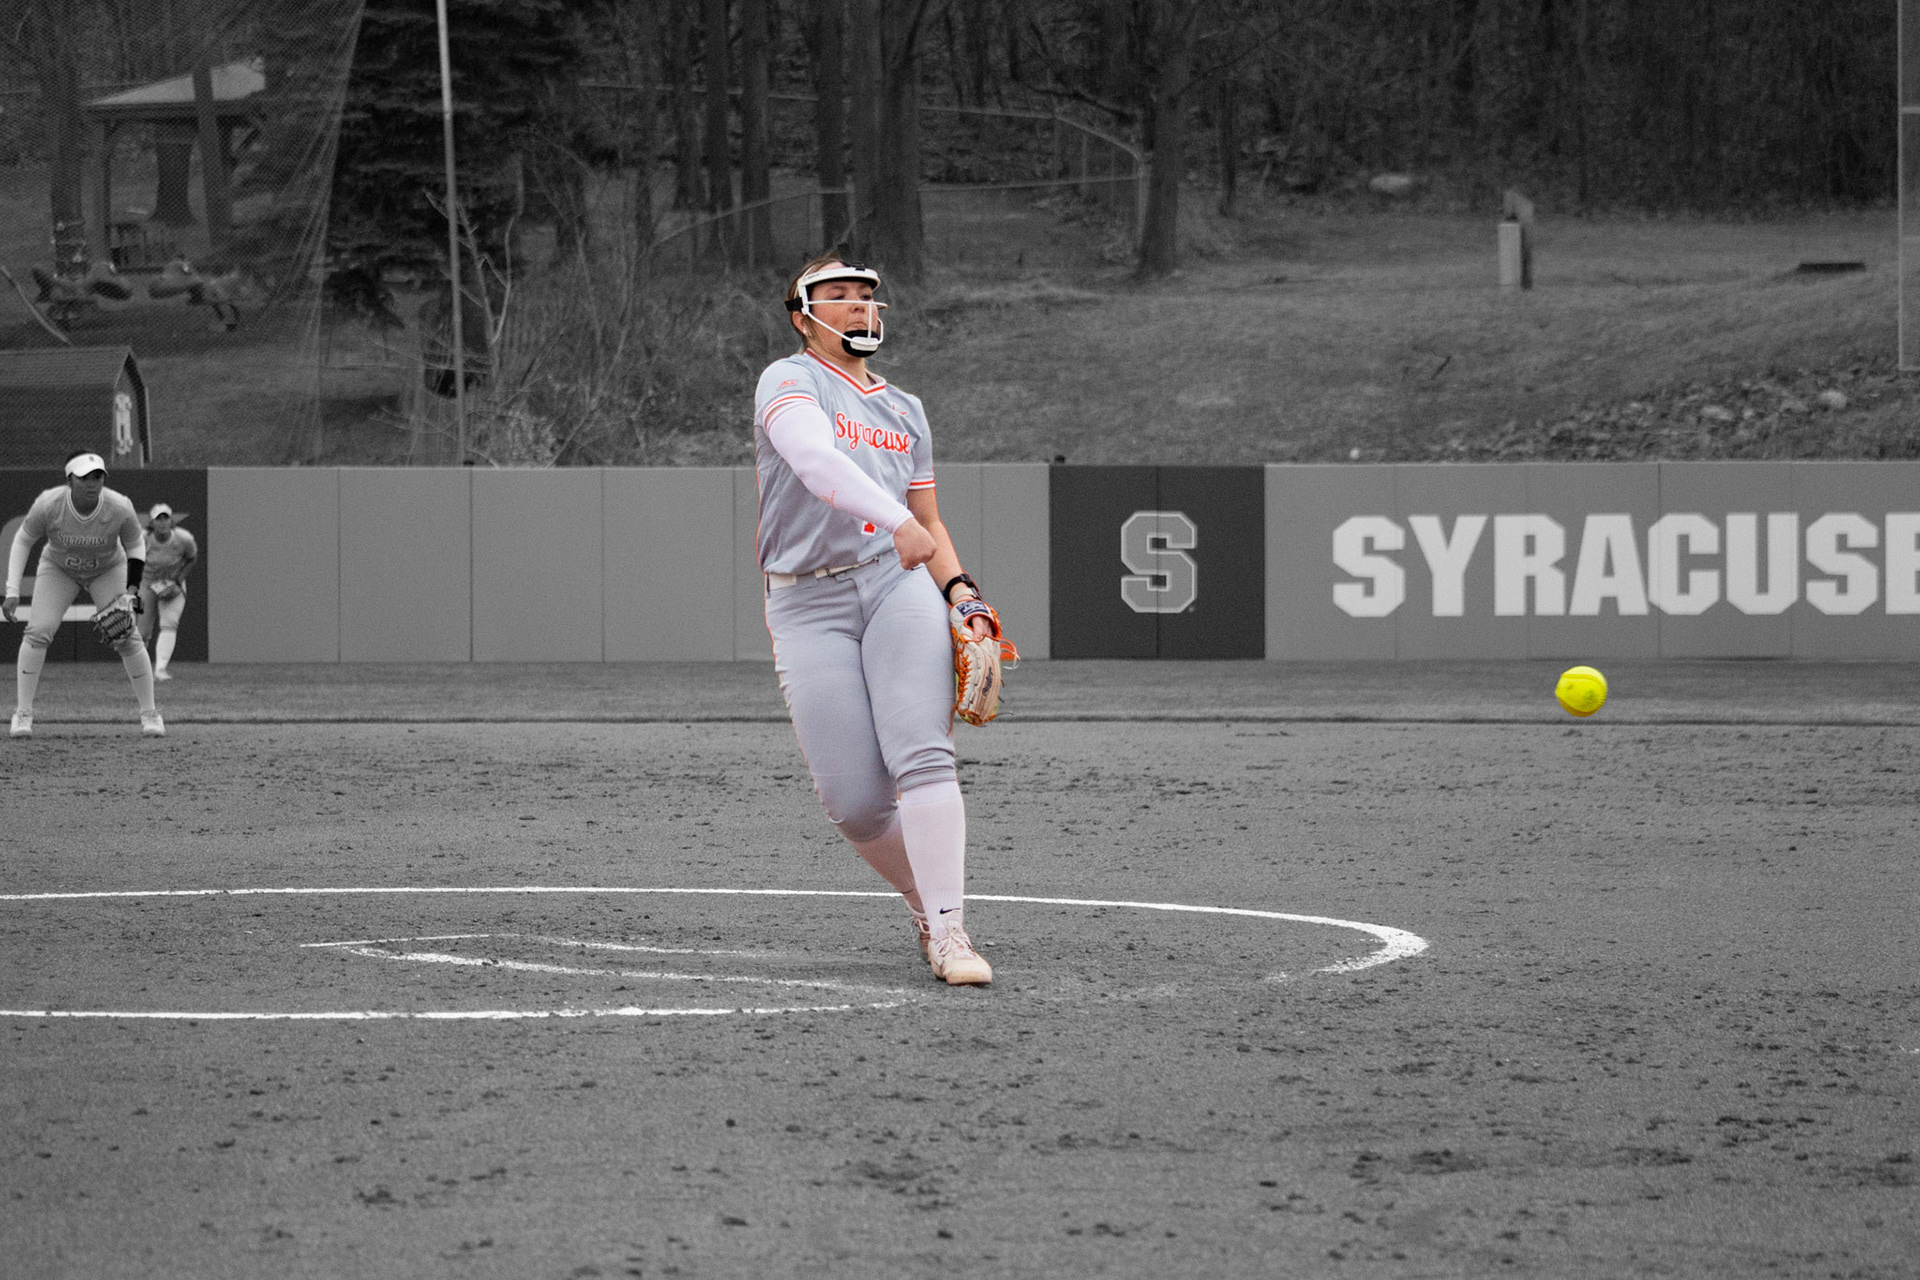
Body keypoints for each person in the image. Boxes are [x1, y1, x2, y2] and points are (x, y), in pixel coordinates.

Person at [753, 254, 1006, 986]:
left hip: (896, 585)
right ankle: (923, 903)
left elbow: (928, 521)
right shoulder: (789, 379)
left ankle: (951, 933)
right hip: (805, 601)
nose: (858, 306)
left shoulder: (905, 408)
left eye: (866, 296)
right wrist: (896, 521)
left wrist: (961, 593)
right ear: (804, 317)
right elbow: (812, 460)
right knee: (856, 805)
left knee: (923, 756)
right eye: (837, 296)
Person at [3, 452, 164, 738]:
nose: (92, 483)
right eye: (84, 478)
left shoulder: (119, 506)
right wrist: (13, 590)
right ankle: (23, 713)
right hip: (59, 568)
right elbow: (23, 540)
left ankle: (150, 714)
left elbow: (135, 545)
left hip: (107, 568)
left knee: (127, 636)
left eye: (98, 477)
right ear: (70, 480)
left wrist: (132, 588)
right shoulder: (50, 504)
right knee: (38, 632)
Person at [136, 503, 198, 681]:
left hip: (173, 584)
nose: (162, 522)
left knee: (170, 623)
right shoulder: (143, 539)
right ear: (151, 523)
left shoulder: (184, 538)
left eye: (166, 518)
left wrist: (178, 580)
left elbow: (192, 557)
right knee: (143, 632)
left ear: (172, 521)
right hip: (147, 584)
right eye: (158, 519)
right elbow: (133, 560)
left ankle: (160, 669)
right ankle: (139, 671)